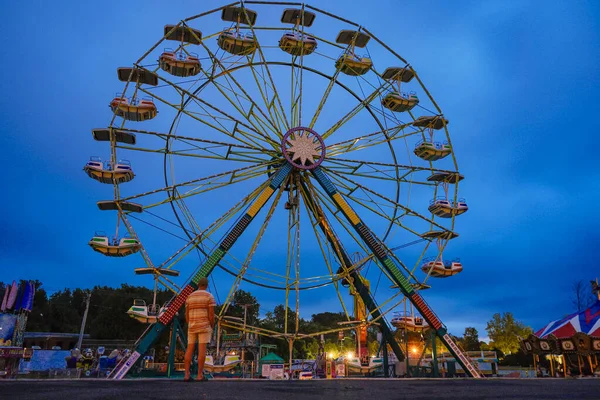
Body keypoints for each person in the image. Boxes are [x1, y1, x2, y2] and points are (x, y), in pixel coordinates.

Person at [184, 277, 216, 382]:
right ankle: (199, 375)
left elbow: (186, 313)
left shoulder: (190, 297)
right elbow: (211, 314)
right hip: (204, 325)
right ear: (206, 285)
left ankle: (187, 374)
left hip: (192, 325)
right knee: (201, 350)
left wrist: (190, 323)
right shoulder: (209, 296)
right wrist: (212, 325)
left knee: (189, 349)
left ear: (198, 285)